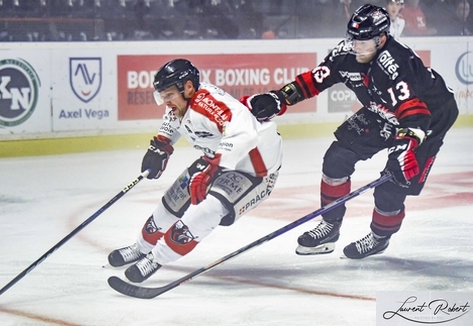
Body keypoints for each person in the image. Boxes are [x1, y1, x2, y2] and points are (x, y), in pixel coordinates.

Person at [243, 4, 458, 259]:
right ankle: (330, 226)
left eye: (363, 41)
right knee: (336, 159)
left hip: (427, 120)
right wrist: (279, 98)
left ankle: (379, 237)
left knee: (392, 183)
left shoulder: (396, 63)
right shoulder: (347, 53)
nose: (356, 46)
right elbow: (314, 79)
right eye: (353, 39)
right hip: (382, 110)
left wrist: (406, 146)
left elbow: (415, 112)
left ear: (381, 39)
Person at [108, 59, 282, 282]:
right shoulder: (182, 103)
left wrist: (211, 172)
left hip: (254, 170)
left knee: (208, 209)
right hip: (217, 158)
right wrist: (161, 145)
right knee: (173, 201)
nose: (165, 102)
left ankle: (156, 258)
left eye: (168, 95)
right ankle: (141, 248)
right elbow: (173, 121)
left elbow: (245, 134)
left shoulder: (207, 105)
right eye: (161, 96)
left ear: (188, 87)